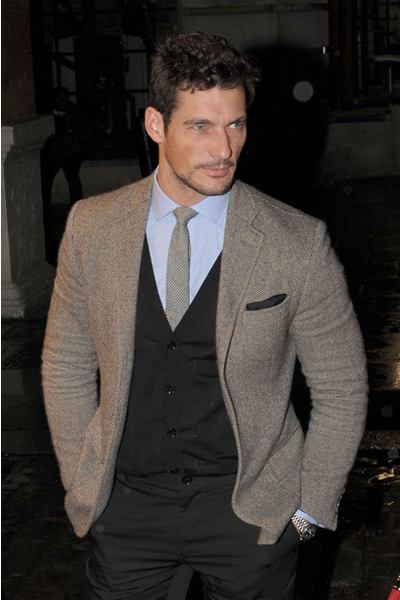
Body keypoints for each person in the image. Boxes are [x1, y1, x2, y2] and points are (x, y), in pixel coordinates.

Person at [42, 32, 368, 599]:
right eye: (200, 126)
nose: (224, 148)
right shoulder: (92, 229)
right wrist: (83, 486)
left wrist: (308, 511)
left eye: (235, 124)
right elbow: (65, 365)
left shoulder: (296, 242)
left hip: (250, 517)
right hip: (127, 513)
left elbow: (341, 385)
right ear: (155, 124)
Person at [40, 86, 91, 260]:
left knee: (72, 176)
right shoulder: (49, 114)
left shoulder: (74, 112)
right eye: (59, 98)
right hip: (54, 153)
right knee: (46, 178)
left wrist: (73, 137)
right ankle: (45, 205)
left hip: (71, 152)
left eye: (64, 97)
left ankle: (76, 207)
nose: (62, 101)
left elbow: (83, 133)